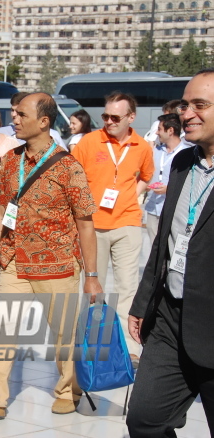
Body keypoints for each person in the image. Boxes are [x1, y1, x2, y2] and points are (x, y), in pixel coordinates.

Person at [0, 93, 103, 419]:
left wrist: (91, 276)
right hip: (14, 262)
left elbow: (86, 223)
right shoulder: (10, 161)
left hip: (57, 265)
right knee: (2, 332)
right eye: (14, 113)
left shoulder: (68, 166)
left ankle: (69, 389)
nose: (15, 119)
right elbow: (0, 214)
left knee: (64, 336)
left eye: (21, 114)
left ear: (45, 121)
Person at [126, 68, 214, 437]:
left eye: (200, 105)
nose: (187, 114)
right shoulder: (182, 164)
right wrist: (143, 304)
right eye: (184, 105)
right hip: (169, 320)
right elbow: (164, 244)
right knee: (145, 420)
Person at [71, 92, 154, 363]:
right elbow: (72, 179)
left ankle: (130, 348)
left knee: (128, 287)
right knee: (93, 289)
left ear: (131, 117)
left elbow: (146, 176)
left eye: (115, 117)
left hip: (128, 223)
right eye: (105, 116)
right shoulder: (88, 142)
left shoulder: (142, 146)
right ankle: (94, 344)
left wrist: (131, 195)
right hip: (92, 227)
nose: (108, 121)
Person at [144, 113, 188, 245]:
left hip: (174, 208)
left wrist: (169, 189)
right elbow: (147, 174)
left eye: (159, 129)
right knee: (154, 248)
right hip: (153, 208)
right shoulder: (155, 151)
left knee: (171, 248)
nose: (156, 133)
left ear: (170, 131)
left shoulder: (187, 153)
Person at [0, 92, 68, 150]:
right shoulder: (10, 158)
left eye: (22, 115)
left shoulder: (66, 164)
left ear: (43, 122)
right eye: (12, 110)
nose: (16, 121)